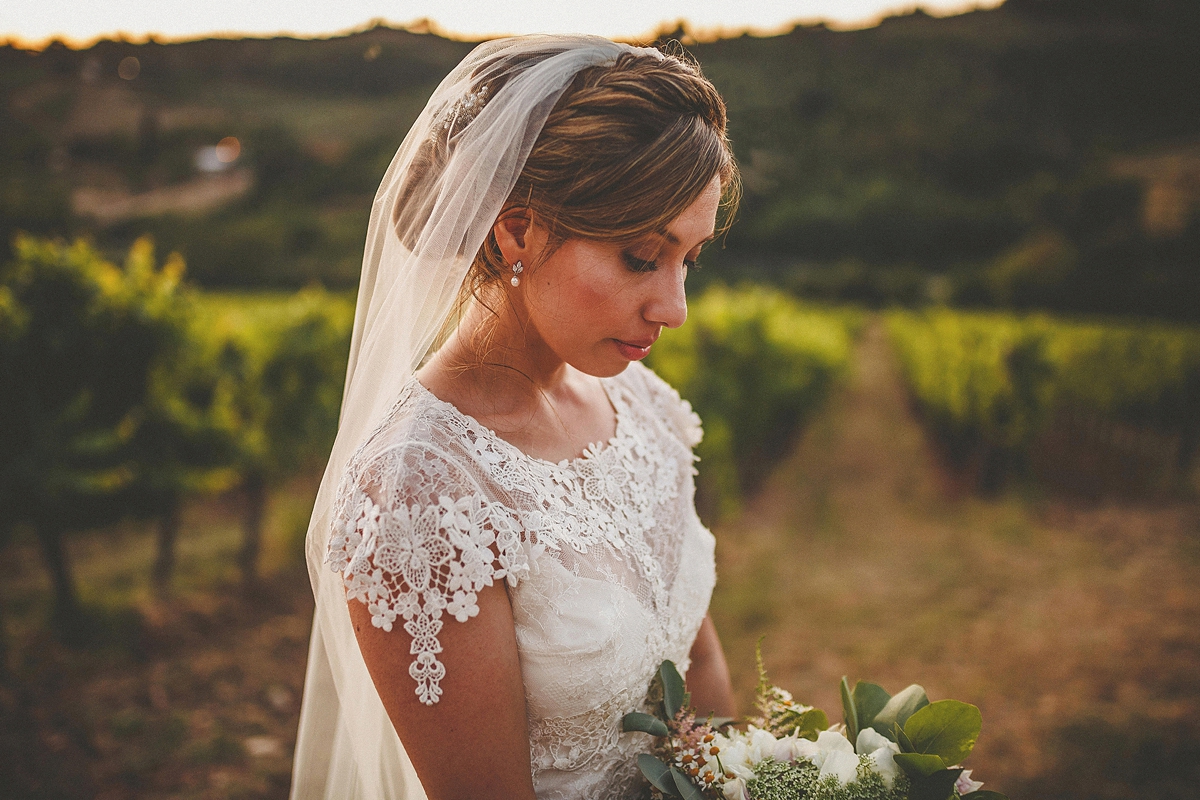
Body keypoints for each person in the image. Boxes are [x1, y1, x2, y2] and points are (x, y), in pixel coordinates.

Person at [291, 34, 740, 800]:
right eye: (641, 256)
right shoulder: (419, 491)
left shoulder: (643, 407)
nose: (675, 309)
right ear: (518, 232)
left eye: (688, 261)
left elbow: (699, 671)